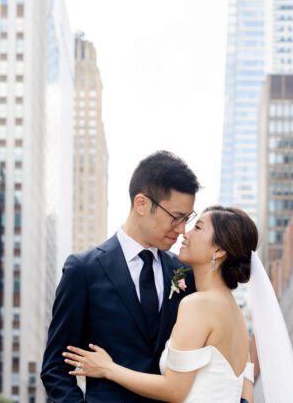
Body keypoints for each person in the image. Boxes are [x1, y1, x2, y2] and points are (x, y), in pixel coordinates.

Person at [41, 151, 201, 402]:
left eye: (187, 219)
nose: (182, 230)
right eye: (176, 217)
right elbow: (56, 368)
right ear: (141, 204)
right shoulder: (83, 270)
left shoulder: (186, 274)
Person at [62, 205, 259, 403]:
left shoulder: (198, 305)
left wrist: (108, 368)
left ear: (219, 250)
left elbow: (174, 390)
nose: (185, 233)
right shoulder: (237, 314)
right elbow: (246, 396)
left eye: (197, 228)